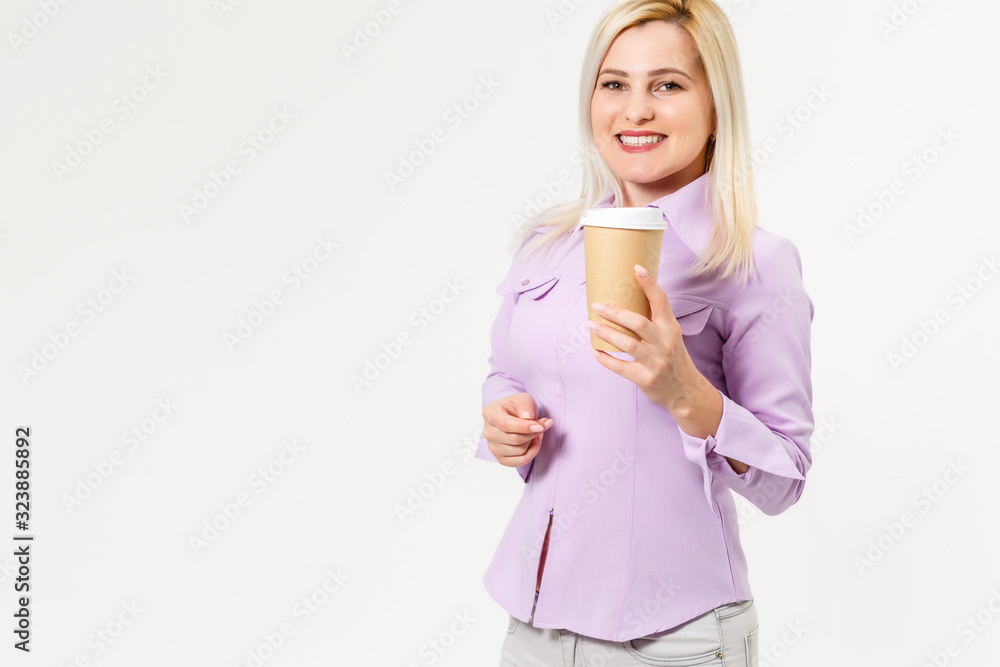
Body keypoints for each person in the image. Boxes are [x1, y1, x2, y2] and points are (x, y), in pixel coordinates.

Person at [474, 0, 815, 665]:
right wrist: (502, 415)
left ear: (716, 107)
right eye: (614, 84)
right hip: (537, 627)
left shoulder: (755, 264)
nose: (634, 110)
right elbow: (505, 369)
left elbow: (784, 479)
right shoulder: (546, 244)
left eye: (667, 85)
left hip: (673, 640)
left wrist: (687, 393)